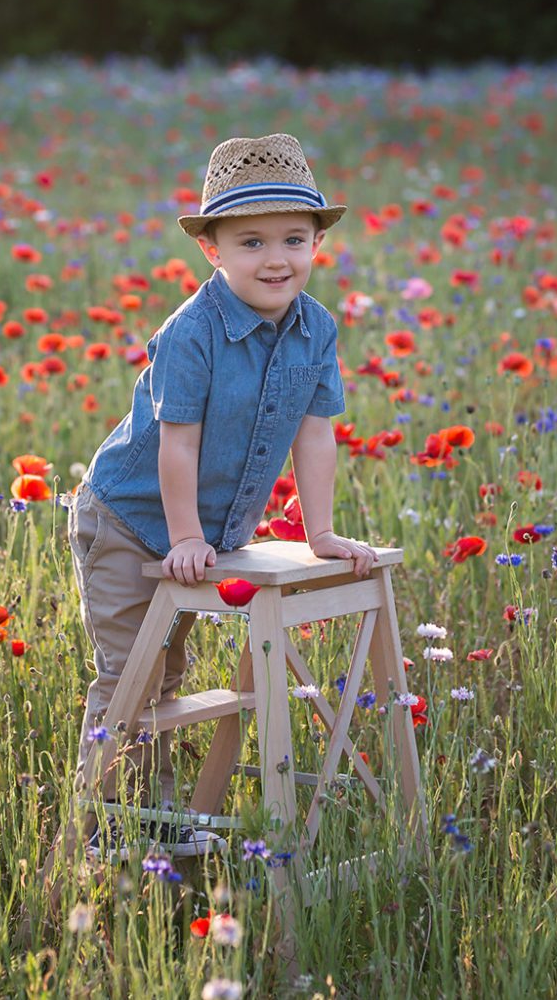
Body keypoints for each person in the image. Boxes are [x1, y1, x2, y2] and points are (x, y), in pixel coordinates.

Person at [69, 133, 377, 859]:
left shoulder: (317, 327)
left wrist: (323, 533)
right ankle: (106, 825)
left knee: (170, 672)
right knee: (131, 672)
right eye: (252, 242)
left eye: (295, 239)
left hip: (203, 530)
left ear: (317, 241)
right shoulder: (192, 331)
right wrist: (182, 537)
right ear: (211, 248)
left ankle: (161, 815)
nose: (278, 259)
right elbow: (177, 443)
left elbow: (315, 432)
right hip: (128, 517)